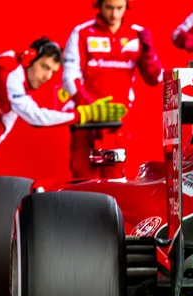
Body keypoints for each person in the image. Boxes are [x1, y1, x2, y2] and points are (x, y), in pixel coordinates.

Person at [0, 37, 127, 260]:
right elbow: (35, 117)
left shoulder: (15, 84)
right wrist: (82, 114)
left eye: (52, 72)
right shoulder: (7, 73)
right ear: (29, 58)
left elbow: (3, 124)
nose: (47, 76)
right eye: (44, 67)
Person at [62, 0, 164, 179]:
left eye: (119, 8)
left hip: (119, 123)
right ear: (99, 5)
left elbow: (155, 78)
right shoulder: (82, 33)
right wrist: (94, 108)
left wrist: (149, 53)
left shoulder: (136, 35)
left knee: (117, 178)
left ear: (127, 6)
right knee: (84, 178)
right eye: (109, 7)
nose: (114, 14)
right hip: (87, 120)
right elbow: (70, 78)